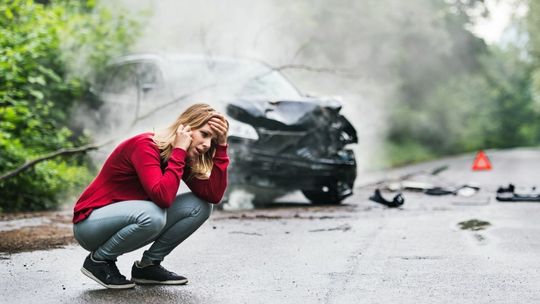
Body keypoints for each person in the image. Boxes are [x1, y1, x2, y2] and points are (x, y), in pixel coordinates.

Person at [72, 103, 229, 289]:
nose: (207, 145)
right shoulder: (145, 145)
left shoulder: (181, 157)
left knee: (200, 206)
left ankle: (148, 266)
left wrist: (222, 147)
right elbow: (163, 198)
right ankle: (99, 261)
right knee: (154, 214)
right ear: (185, 128)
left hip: (128, 221)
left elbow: (213, 195)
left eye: (213, 140)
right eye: (204, 134)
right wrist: (179, 151)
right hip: (90, 225)